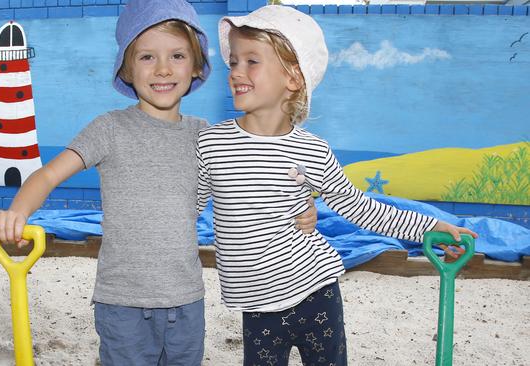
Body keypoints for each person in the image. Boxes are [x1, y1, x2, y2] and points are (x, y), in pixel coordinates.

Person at [0, 1, 317, 364]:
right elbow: (49, 174)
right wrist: (18, 210)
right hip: (122, 303)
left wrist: (304, 205)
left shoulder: (204, 136)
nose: (162, 68)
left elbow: (256, 179)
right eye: (147, 57)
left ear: (195, 67)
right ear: (127, 70)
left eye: (177, 55)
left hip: (186, 302)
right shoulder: (109, 128)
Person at [196, 5, 478, 366]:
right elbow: (185, 207)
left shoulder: (311, 150)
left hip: (316, 293)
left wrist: (433, 226)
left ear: (293, 78)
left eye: (252, 61)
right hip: (257, 309)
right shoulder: (212, 144)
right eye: (233, 61)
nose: (236, 71)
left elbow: (360, 207)